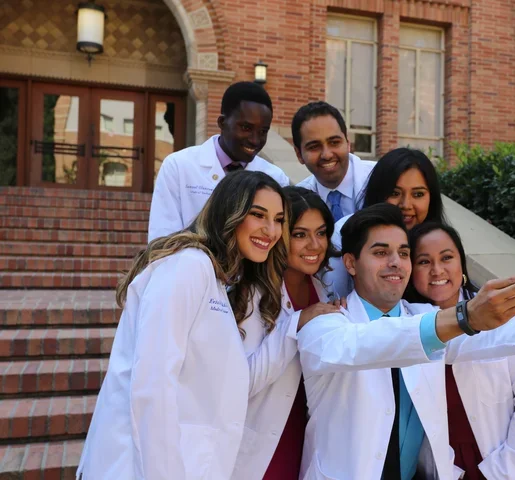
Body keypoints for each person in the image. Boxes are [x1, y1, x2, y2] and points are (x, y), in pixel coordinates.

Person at [295, 203, 515, 480]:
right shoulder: (324, 324)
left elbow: (485, 338)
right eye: (380, 252)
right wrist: (464, 317)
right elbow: (363, 344)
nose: (396, 262)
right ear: (350, 263)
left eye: (403, 253)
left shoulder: (426, 317)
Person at [77, 171, 294, 479]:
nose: (271, 230)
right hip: (144, 465)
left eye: (279, 219)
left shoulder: (215, 278)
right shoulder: (187, 267)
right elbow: (153, 382)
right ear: (229, 212)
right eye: (258, 215)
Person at [405, 222, 515, 480]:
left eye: (447, 257)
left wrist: (495, 474)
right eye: (424, 261)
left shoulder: (503, 316)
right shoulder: (405, 326)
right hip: (447, 468)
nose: (437, 270)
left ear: (462, 265)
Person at [232, 186, 340, 479]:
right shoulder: (251, 294)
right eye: (300, 234)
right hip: (264, 440)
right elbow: (241, 383)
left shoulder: (322, 289)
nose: (315, 245)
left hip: (306, 433)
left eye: (321, 233)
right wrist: (295, 324)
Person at [148, 81, 290, 241]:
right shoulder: (178, 166)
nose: (255, 140)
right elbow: (162, 238)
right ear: (222, 123)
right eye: (246, 128)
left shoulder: (275, 177)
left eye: (263, 131)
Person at [328, 147, 446, 297]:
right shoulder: (344, 234)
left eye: (418, 194)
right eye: (395, 193)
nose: (406, 205)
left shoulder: (441, 241)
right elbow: (333, 297)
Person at [292, 101, 375, 221]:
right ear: (299, 154)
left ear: (348, 144)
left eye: (334, 142)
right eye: (314, 146)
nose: (326, 155)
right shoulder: (297, 201)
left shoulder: (380, 178)